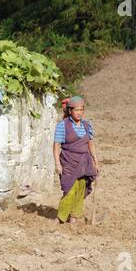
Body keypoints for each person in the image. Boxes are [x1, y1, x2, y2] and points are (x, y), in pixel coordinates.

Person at [53, 96, 99, 224]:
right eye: (76, 110)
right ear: (70, 111)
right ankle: (60, 217)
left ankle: (74, 217)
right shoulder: (63, 126)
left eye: (81, 110)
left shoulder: (87, 125)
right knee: (70, 189)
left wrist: (95, 161)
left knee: (80, 189)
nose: (79, 113)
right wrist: (57, 163)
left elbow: (91, 144)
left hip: (84, 161)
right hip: (68, 161)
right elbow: (56, 145)